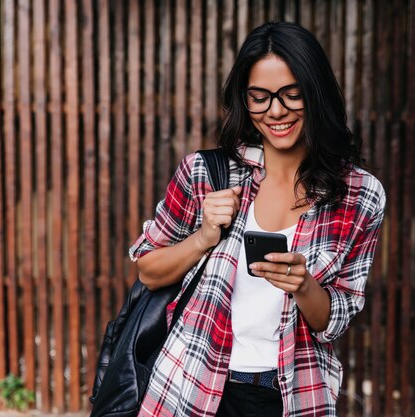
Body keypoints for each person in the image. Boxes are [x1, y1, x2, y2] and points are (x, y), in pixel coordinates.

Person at [129, 21, 386, 417]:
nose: (276, 111)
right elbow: (148, 269)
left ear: (315, 93)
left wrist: (304, 286)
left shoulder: (360, 194)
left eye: (291, 94)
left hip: (295, 396)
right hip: (192, 387)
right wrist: (203, 237)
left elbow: (335, 319)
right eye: (260, 97)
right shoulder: (206, 173)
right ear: (244, 100)